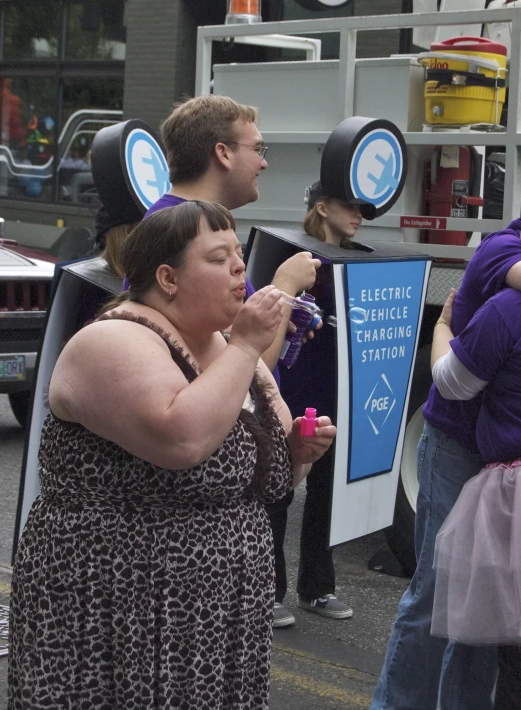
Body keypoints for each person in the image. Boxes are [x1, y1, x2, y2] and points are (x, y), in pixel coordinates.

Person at [8, 201, 336, 710]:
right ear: (167, 277)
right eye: (217, 257)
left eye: (238, 255)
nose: (238, 268)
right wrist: (249, 344)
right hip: (116, 613)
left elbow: (270, 485)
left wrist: (297, 453)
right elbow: (182, 439)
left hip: (217, 618)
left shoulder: (226, 343)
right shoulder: (113, 338)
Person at [370, 216, 521, 710]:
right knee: (438, 594)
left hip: (505, 465)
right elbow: (453, 382)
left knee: (485, 605)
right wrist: (440, 328)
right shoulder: (501, 251)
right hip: (459, 446)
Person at [123, 95, 321, 380]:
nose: (263, 164)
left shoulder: (180, 224)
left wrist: (277, 320)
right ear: (223, 153)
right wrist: (285, 287)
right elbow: (243, 370)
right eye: (258, 149)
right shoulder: (173, 232)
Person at [271, 181, 376, 627]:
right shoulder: (298, 262)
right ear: (321, 207)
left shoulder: (361, 262)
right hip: (295, 395)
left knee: (328, 494)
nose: (358, 216)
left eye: (362, 209)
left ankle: (317, 588)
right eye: (348, 207)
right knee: (278, 492)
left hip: (339, 396)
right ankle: (268, 592)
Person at [430, 285, 521, 709]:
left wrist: (443, 327)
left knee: (511, 650)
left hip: (512, 497)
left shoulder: (507, 309)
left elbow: (453, 383)